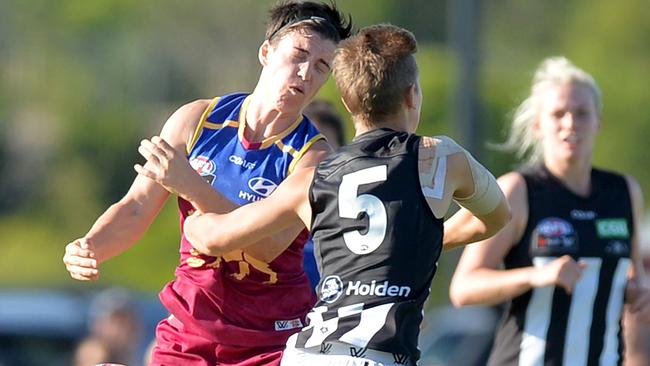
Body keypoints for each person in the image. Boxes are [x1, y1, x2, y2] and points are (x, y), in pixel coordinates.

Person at [183, 24, 511, 366]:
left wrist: (190, 204)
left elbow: (216, 237)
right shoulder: (440, 158)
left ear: (346, 100)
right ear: (412, 95)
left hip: (307, 355)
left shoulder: (311, 177)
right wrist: (412, 244)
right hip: (380, 357)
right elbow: (498, 215)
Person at [62, 2, 352, 365]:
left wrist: (191, 186)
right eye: (299, 55)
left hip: (267, 341)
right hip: (190, 327)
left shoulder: (313, 157)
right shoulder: (197, 120)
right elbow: (136, 205)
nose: (306, 73)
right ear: (266, 52)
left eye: (321, 66)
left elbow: (267, 247)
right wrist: (91, 244)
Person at [448, 57, 650, 366]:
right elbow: (463, 289)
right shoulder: (518, 191)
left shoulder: (624, 192)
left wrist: (638, 291)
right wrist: (537, 275)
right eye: (559, 114)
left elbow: (633, 277)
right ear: (539, 126)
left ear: (598, 121)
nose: (570, 123)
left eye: (582, 113)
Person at [302, 99, 347, 288]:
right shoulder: (265, 212)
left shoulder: (349, 223)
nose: (317, 159)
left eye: (326, 150)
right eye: (308, 149)